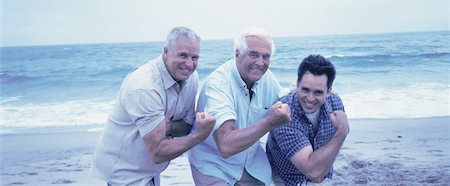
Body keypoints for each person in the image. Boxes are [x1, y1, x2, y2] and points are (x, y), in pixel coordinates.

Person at [92, 26, 216, 186]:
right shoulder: (144, 86)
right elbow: (158, 151)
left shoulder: (191, 77)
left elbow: (186, 126)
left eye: (195, 57)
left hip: (149, 170)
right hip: (123, 172)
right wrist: (199, 135)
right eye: (183, 55)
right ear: (166, 52)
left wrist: (168, 126)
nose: (189, 64)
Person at [188, 27, 291, 185]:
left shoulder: (267, 78)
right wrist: (269, 121)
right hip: (214, 164)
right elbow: (226, 145)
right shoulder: (219, 83)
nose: (260, 63)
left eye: (266, 57)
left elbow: (290, 101)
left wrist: (323, 93)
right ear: (237, 54)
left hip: (252, 163)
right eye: (253, 54)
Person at [266, 54, 349, 186]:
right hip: (286, 178)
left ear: (329, 92)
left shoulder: (335, 104)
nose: (310, 98)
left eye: (318, 92)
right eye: (305, 90)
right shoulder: (283, 115)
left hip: (322, 174)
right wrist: (342, 132)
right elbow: (313, 172)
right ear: (297, 84)